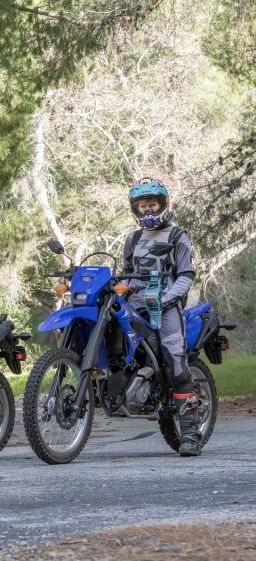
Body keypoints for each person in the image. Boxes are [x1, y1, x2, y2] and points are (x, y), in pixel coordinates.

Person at [123, 177, 201, 456]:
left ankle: (190, 434)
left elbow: (185, 276)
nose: (147, 211)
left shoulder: (178, 235)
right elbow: (128, 275)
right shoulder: (132, 239)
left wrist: (165, 299)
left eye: (152, 205)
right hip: (135, 306)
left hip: (166, 307)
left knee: (175, 362)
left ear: (163, 205)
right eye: (142, 206)